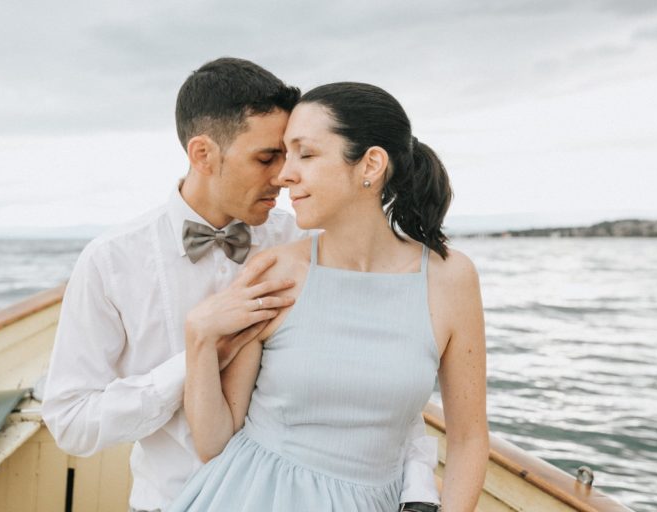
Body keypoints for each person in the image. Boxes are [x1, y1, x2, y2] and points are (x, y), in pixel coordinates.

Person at [42, 59, 441, 512]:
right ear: (203, 154)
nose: (284, 176)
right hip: (169, 502)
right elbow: (71, 421)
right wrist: (199, 355)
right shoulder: (111, 261)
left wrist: (418, 489)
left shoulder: (304, 243)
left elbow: (377, 380)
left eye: (293, 156)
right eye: (267, 157)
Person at [168, 82, 489, 512]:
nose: (284, 175)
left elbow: (468, 439)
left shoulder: (451, 279)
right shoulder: (275, 272)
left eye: (306, 153)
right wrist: (199, 338)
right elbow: (213, 444)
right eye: (284, 153)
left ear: (370, 165)